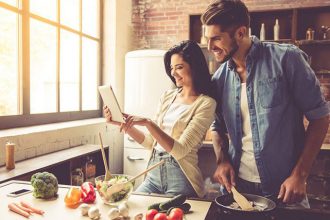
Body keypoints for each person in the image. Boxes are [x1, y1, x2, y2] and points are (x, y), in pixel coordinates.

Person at [201, 0, 329, 207]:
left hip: (284, 188)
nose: (209, 47)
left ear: (240, 33)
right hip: (239, 188)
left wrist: (300, 175)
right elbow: (217, 126)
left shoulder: (287, 59)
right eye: (207, 39)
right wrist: (222, 160)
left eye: (216, 38)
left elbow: (320, 118)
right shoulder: (219, 78)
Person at [103, 40, 216, 198]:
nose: (173, 73)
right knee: (133, 209)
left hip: (181, 176)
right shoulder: (167, 96)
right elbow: (151, 142)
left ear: (194, 66)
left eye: (179, 67)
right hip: (153, 172)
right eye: (171, 68)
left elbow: (180, 150)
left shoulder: (206, 103)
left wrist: (148, 123)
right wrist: (123, 124)